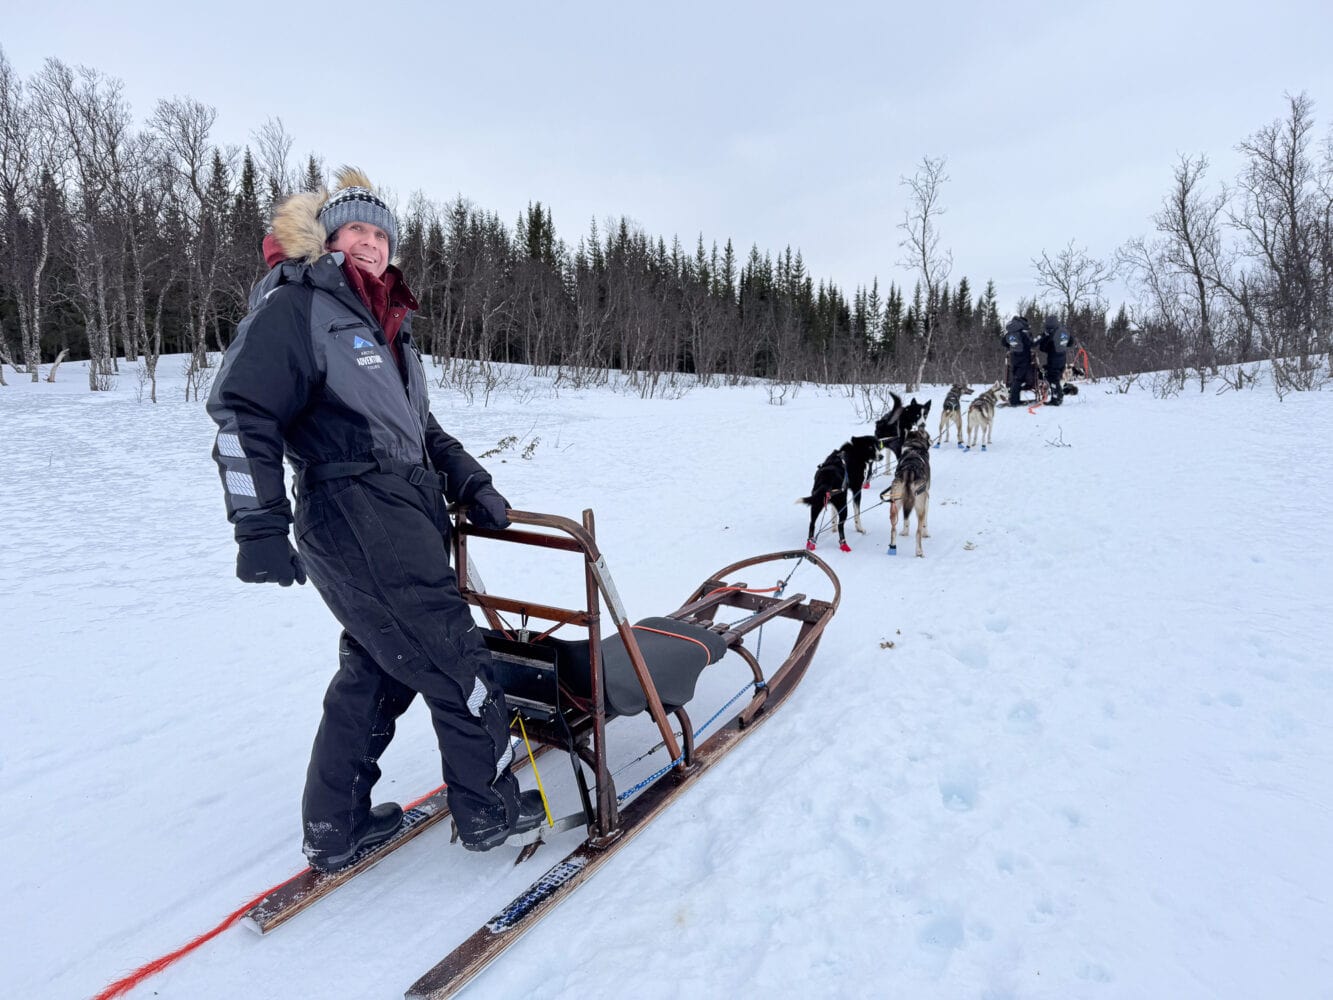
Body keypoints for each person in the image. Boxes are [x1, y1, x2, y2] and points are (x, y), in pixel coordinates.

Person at [207, 167, 543, 872]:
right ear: (326, 240)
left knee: (379, 670)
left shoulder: (382, 324)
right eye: (355, 229)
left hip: (399, 510)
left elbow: (418, 429)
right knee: (458, 664)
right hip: (356, 512)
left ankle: (337, 827)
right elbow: (243, 413)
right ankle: (489, 811)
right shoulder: (300, 308)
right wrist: (258, 525)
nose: (369, 242)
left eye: (380, 232)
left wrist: (470, 482)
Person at [1037, 315, 1074, 405]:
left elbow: (1043, 348)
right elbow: (1071, 342)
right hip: (1062, 359)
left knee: (1052, 378)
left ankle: (1057, 398)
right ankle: (1057, 396)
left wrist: (1045, 341)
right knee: (1055, 377)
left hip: (1053, 360)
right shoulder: (1063, 331)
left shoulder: (1050, 334)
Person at [1000, 315, 1033, 406]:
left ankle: (1014, 398)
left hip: (1014, 358)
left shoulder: (1009, 333)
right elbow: (1030, 344)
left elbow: (1003, 342)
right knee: (1018, 379)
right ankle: (1014, 400)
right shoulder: (1022, 333)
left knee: (1015, 378)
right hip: (1024, 358)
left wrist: (1011, 346)